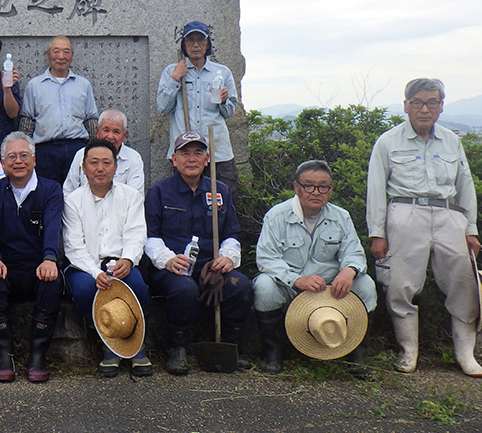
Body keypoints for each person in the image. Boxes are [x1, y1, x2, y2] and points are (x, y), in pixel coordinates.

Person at [367, 78, 482, 377]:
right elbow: (376, 190)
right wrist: (377, 233)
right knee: (400, 285)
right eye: (418, 102)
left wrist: (470, 228)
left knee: (464, 282)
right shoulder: (388, 141)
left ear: (441, 106)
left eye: (432, 102)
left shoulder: (451, 140)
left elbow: (465, 185)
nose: (424, 108)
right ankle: (409, 351)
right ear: (406, 105)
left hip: (449, 216)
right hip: (405, 213)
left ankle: (465, 353)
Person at [143, 131, 252, 374]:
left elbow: (232, 234)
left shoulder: (220, 191)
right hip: (172, 270)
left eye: (198, 153)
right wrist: (167, 259)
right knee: (184, 289)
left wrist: (226, 259)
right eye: (185, 153)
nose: (191, 159)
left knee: (240, 285)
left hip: (210, 268)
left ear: (207, 158)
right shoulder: (158, 192)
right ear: (174, 159)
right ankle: (177, 347)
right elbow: (150, 237)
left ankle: (230, 345)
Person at [253, 160, 376, 374]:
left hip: (330, 289)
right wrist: (296, 280)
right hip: (290, 284)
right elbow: (266, 259)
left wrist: (349, 271)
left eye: (323, 186)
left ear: (331, 189)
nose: (316, 192)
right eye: (308, 185)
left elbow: (354, 253)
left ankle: (356, 354)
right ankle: (273, 352)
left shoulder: (341, 216)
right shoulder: (276, 216)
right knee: (264, 287)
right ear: (296, 187)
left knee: (366, 285)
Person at [62, 138, 152, 377]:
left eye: (106, 163)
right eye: (93, 163)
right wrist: (96, 272)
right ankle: (107, 341)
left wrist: (129, 260)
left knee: (138, 287)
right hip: (85, 266)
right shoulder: (73, 201)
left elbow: (136, 234)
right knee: (84, 291)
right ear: (83, 168)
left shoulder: (131, 196)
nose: (100, 169)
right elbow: (73, 246)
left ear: (115, 167)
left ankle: (136, 342)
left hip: (121, 262)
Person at [0, 132, 64, 382]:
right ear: (3, 162)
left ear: (34, 160)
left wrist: (50, 257)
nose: (18, 161)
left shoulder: (50, 189)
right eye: (12, 157)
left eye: (24, 155)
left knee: (53, 281)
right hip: (5, 265)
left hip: (38, 265)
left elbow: (52, 226)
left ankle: (38, 355)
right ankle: (4, 354)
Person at [156, 21, 239, 195]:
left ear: (207, 44)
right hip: (186, 154)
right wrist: (175, 80)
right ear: (184, 45)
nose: (195, 45)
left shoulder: (222, 72)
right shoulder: (173, 71)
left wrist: (224, 101)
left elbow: (229, 112)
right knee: (185, 205)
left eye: (200, 40)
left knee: (220, 205)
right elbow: (163, 107)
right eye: (190, 40)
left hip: (217, 153)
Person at [19, 36, 99, 185]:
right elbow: (27, 121)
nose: (61, 56)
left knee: (78, 194)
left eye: (66, 52)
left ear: (72, 56)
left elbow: (91, 119)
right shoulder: (34, 85)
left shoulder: (83, 84)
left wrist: (94, 150)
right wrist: (26, 153)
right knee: (47, 194)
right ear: (48, 55)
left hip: (77, 148)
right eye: (56, 51)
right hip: (45, 150)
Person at [62, 109, 144, 197]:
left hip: (120, 209)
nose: (110, 136)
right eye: (106, 130)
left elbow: (136, 196)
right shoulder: (81, 154)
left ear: (124, 135)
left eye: (116, 132)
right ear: (97, 131)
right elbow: (68, 192)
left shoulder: (133, 158)